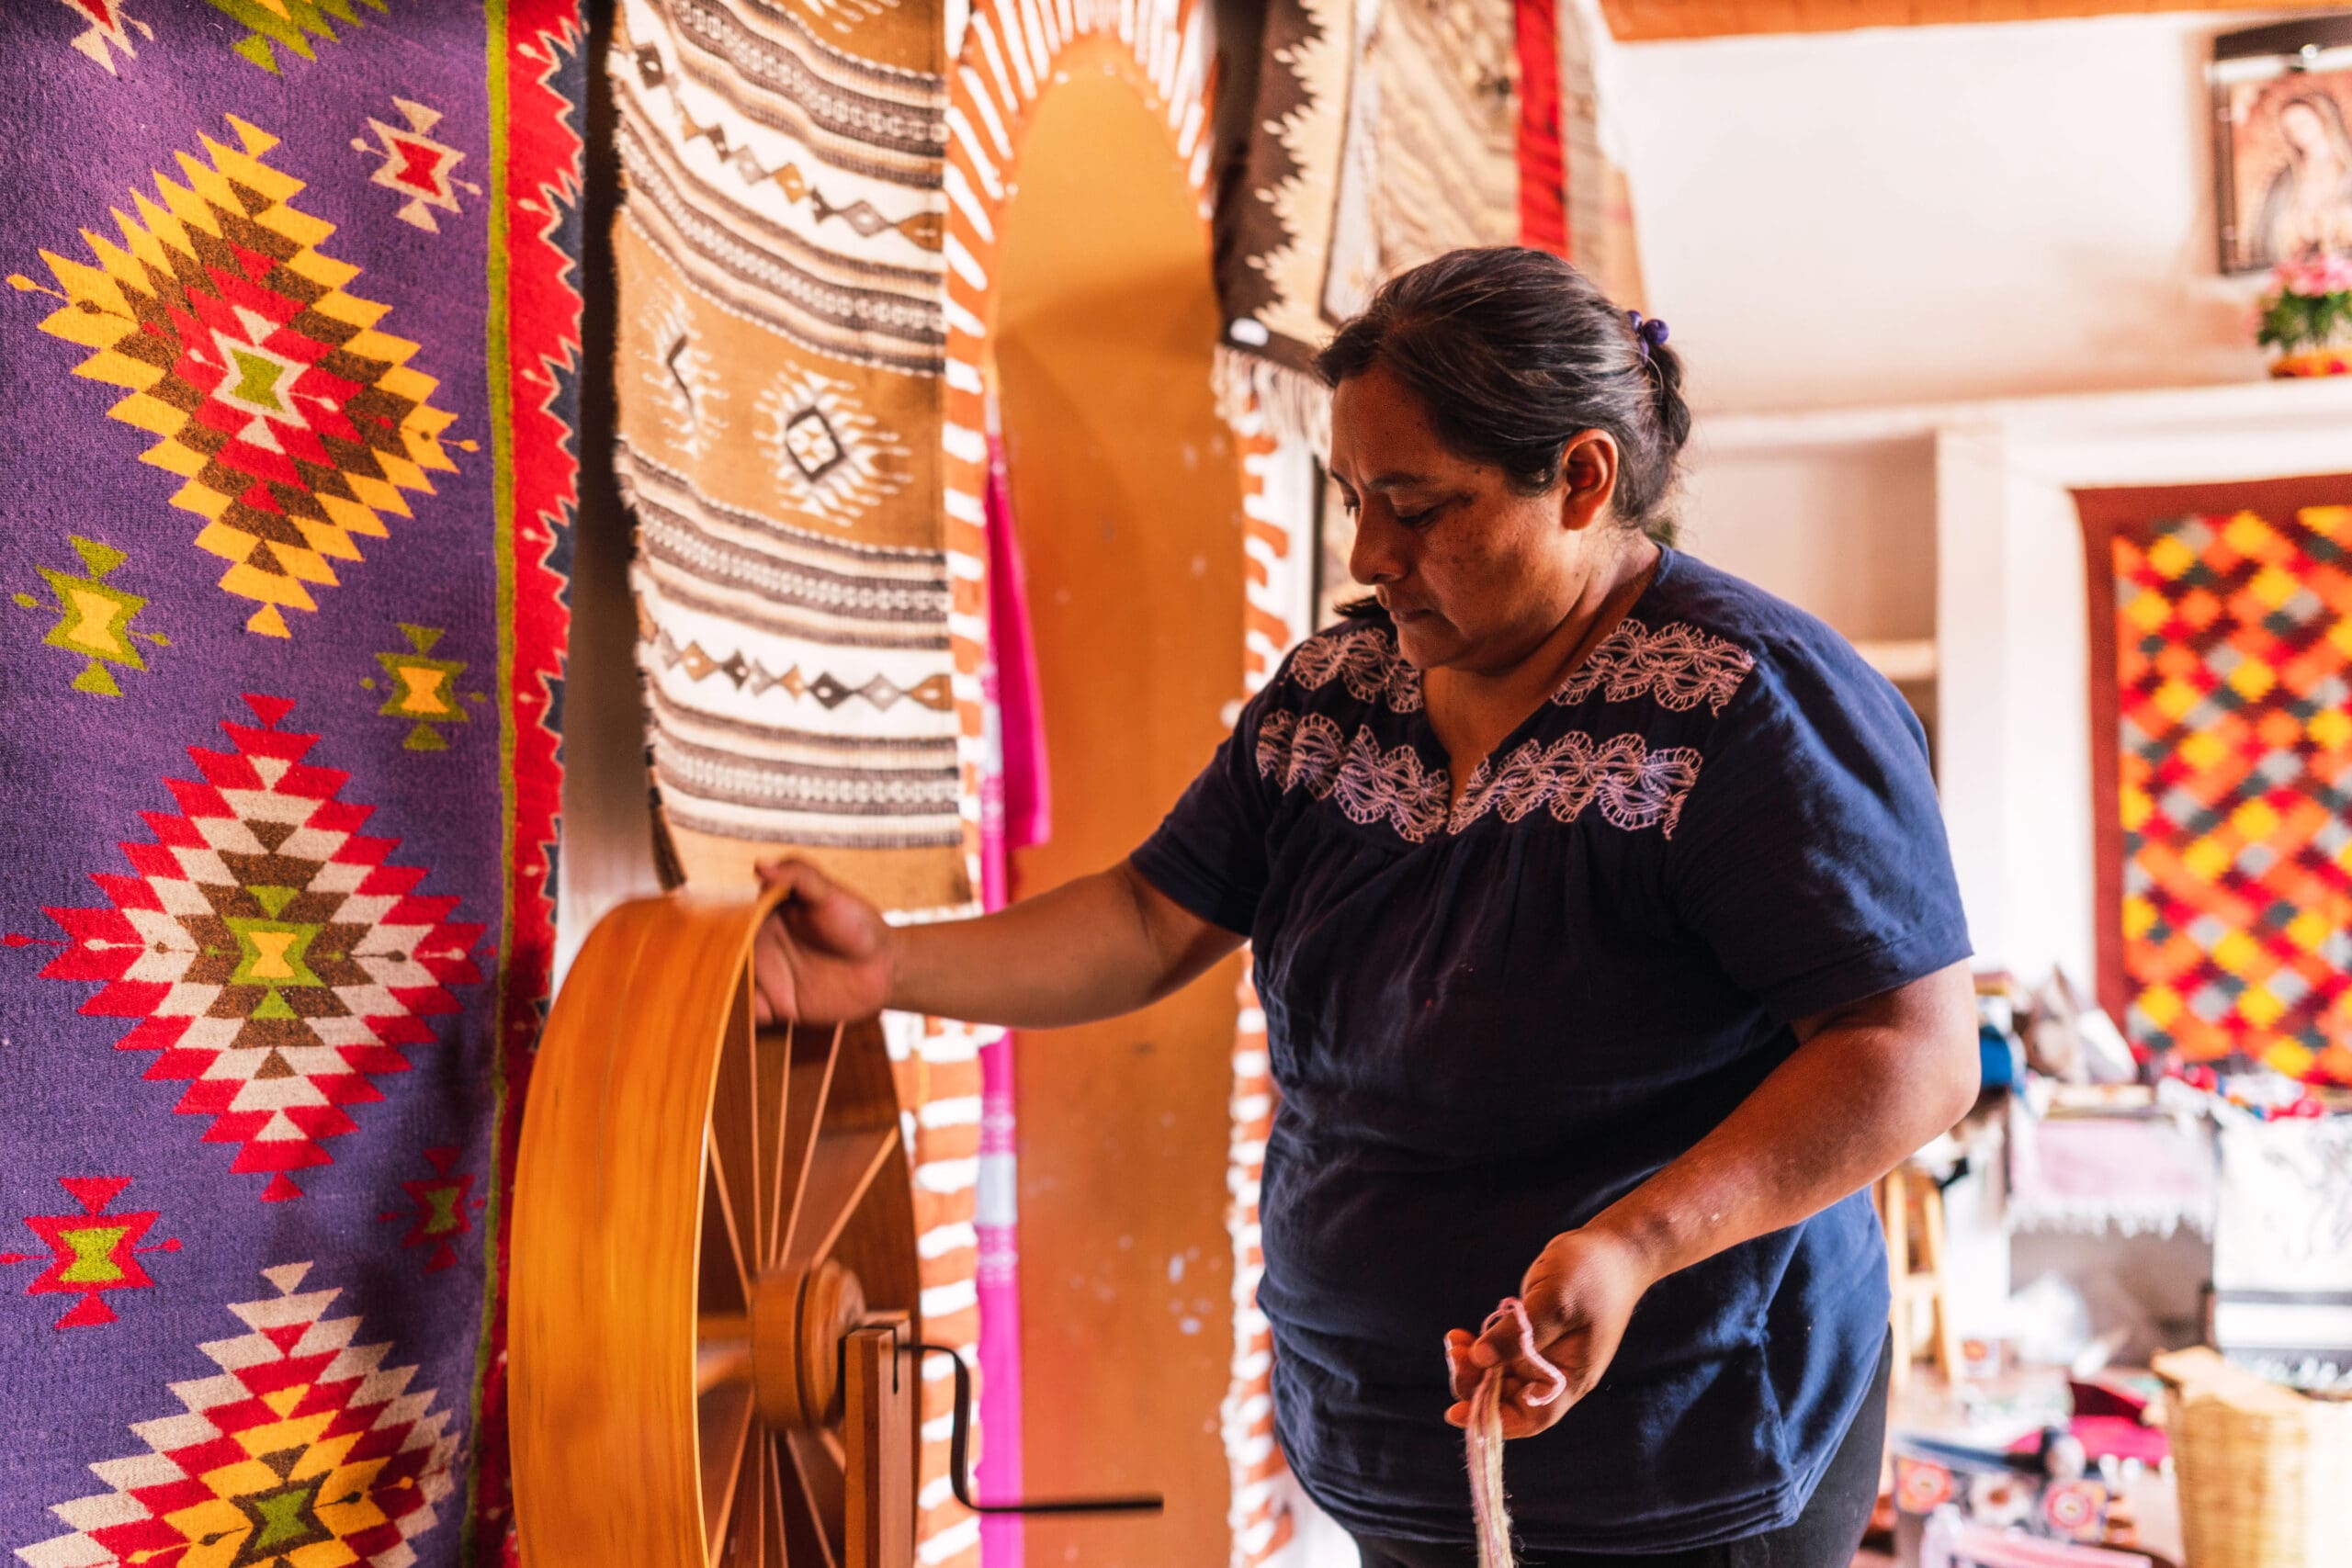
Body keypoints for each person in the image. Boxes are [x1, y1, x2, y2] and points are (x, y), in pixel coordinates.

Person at [749, 246, 1980, 1568]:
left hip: (1680, 1458)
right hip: (1385, 1439)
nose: (1369, 551)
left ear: (1580, 478)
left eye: (1417, 504)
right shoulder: (1336, 694)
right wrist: (889, 967)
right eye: (1353, 495)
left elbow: (1910, 1049)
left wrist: (1635, 1240)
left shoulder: (1750, 704)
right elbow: (1154, 917)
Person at [2251, 92, 2352, 268]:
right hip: (2301, 272)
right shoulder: (2284, 180)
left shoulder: (2347, 166)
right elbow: (2264, 237)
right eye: (2290, 129)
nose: (2299, 133)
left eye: (2304, 123)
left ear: (2324, 119)